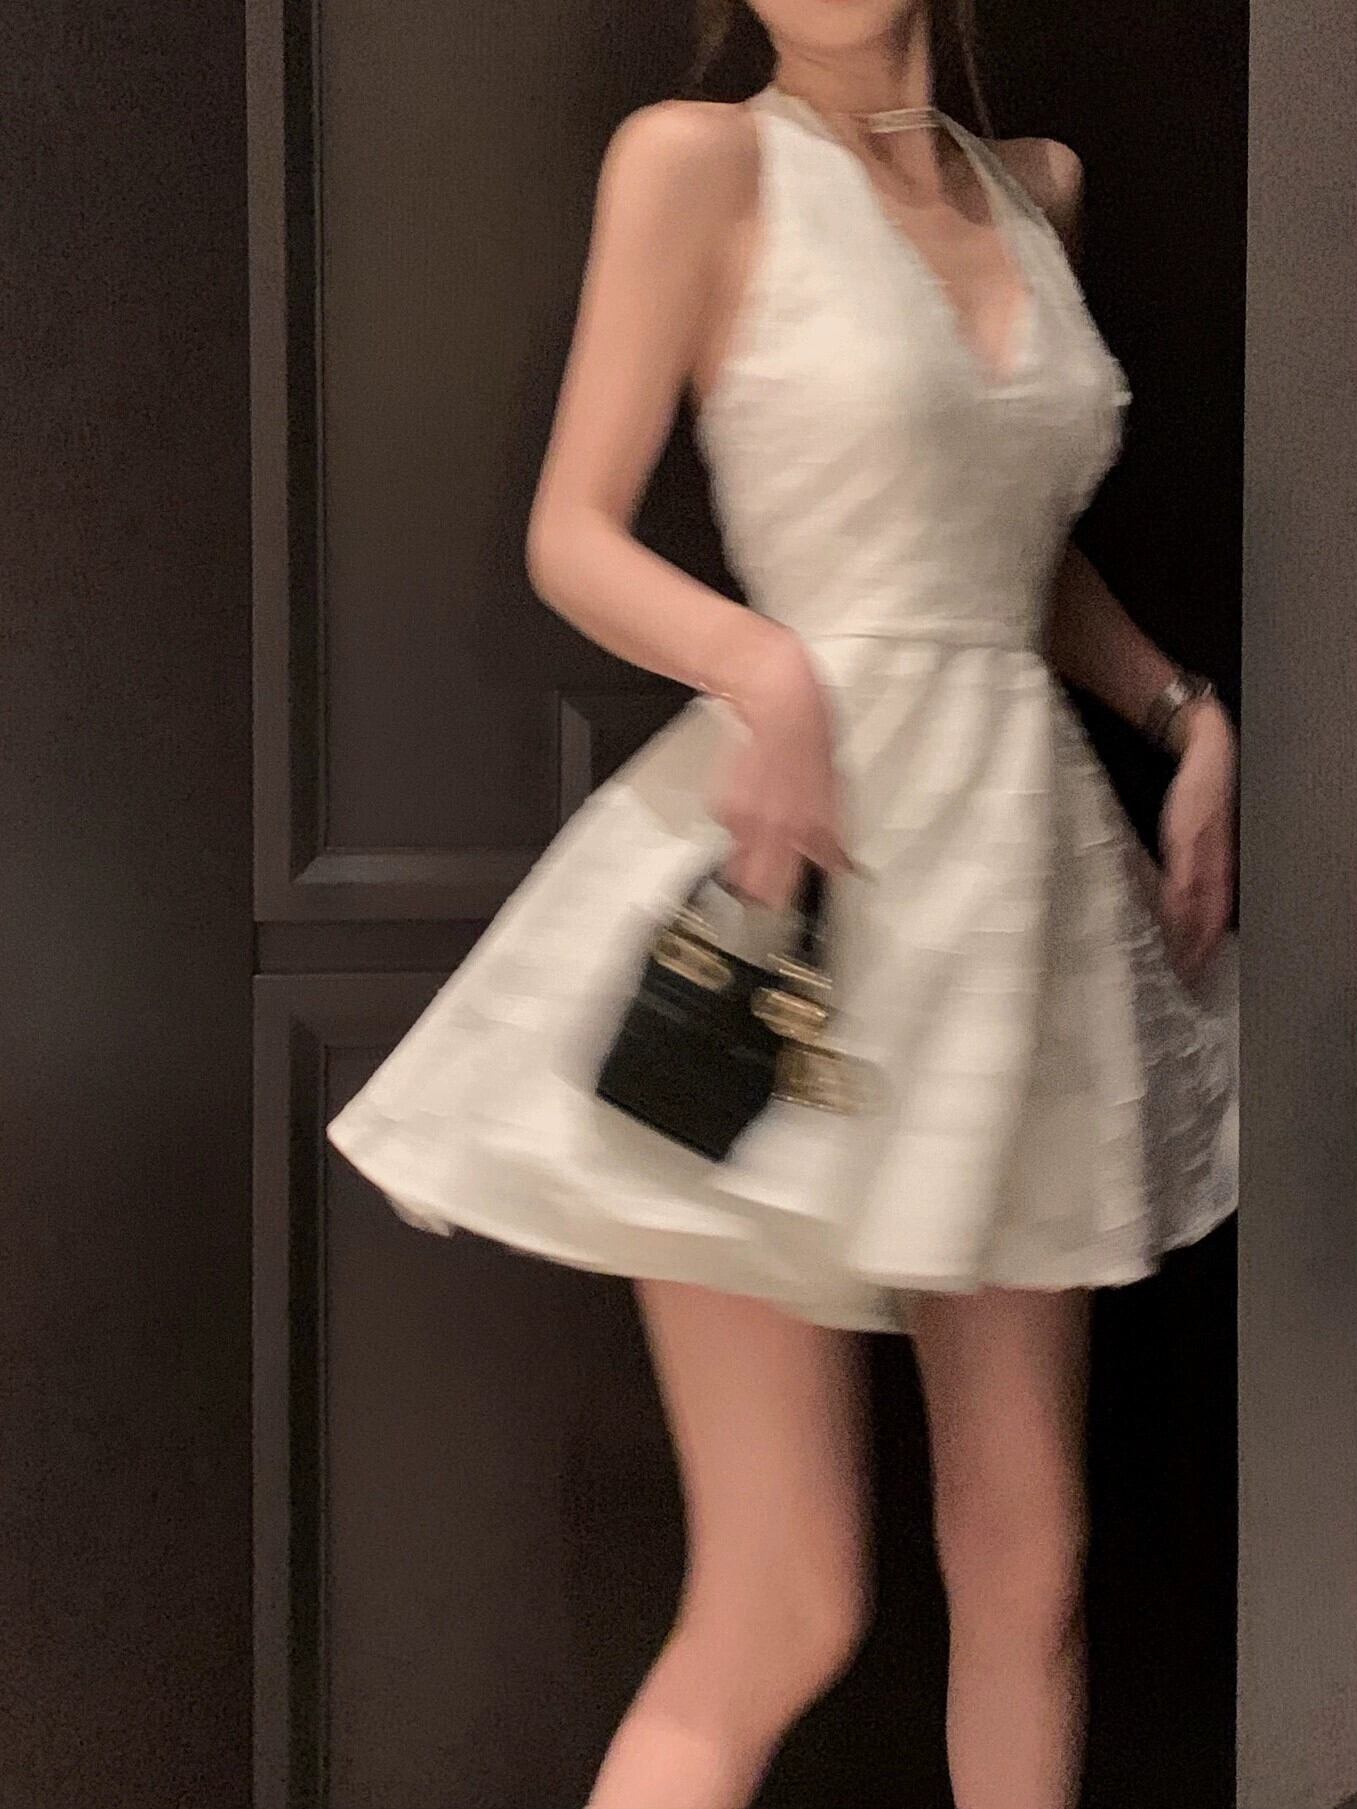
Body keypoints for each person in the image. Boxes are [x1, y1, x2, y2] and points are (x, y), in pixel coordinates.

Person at [326, 3, 1239, 1804]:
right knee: (784, 1603)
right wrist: (765, 668)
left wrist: (1178, 712)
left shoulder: (1038, 190)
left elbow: (1003, 536)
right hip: (789, 885)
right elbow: (571, 532)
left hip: (1012, 905)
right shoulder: (697, 162)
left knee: (1031, 1571)